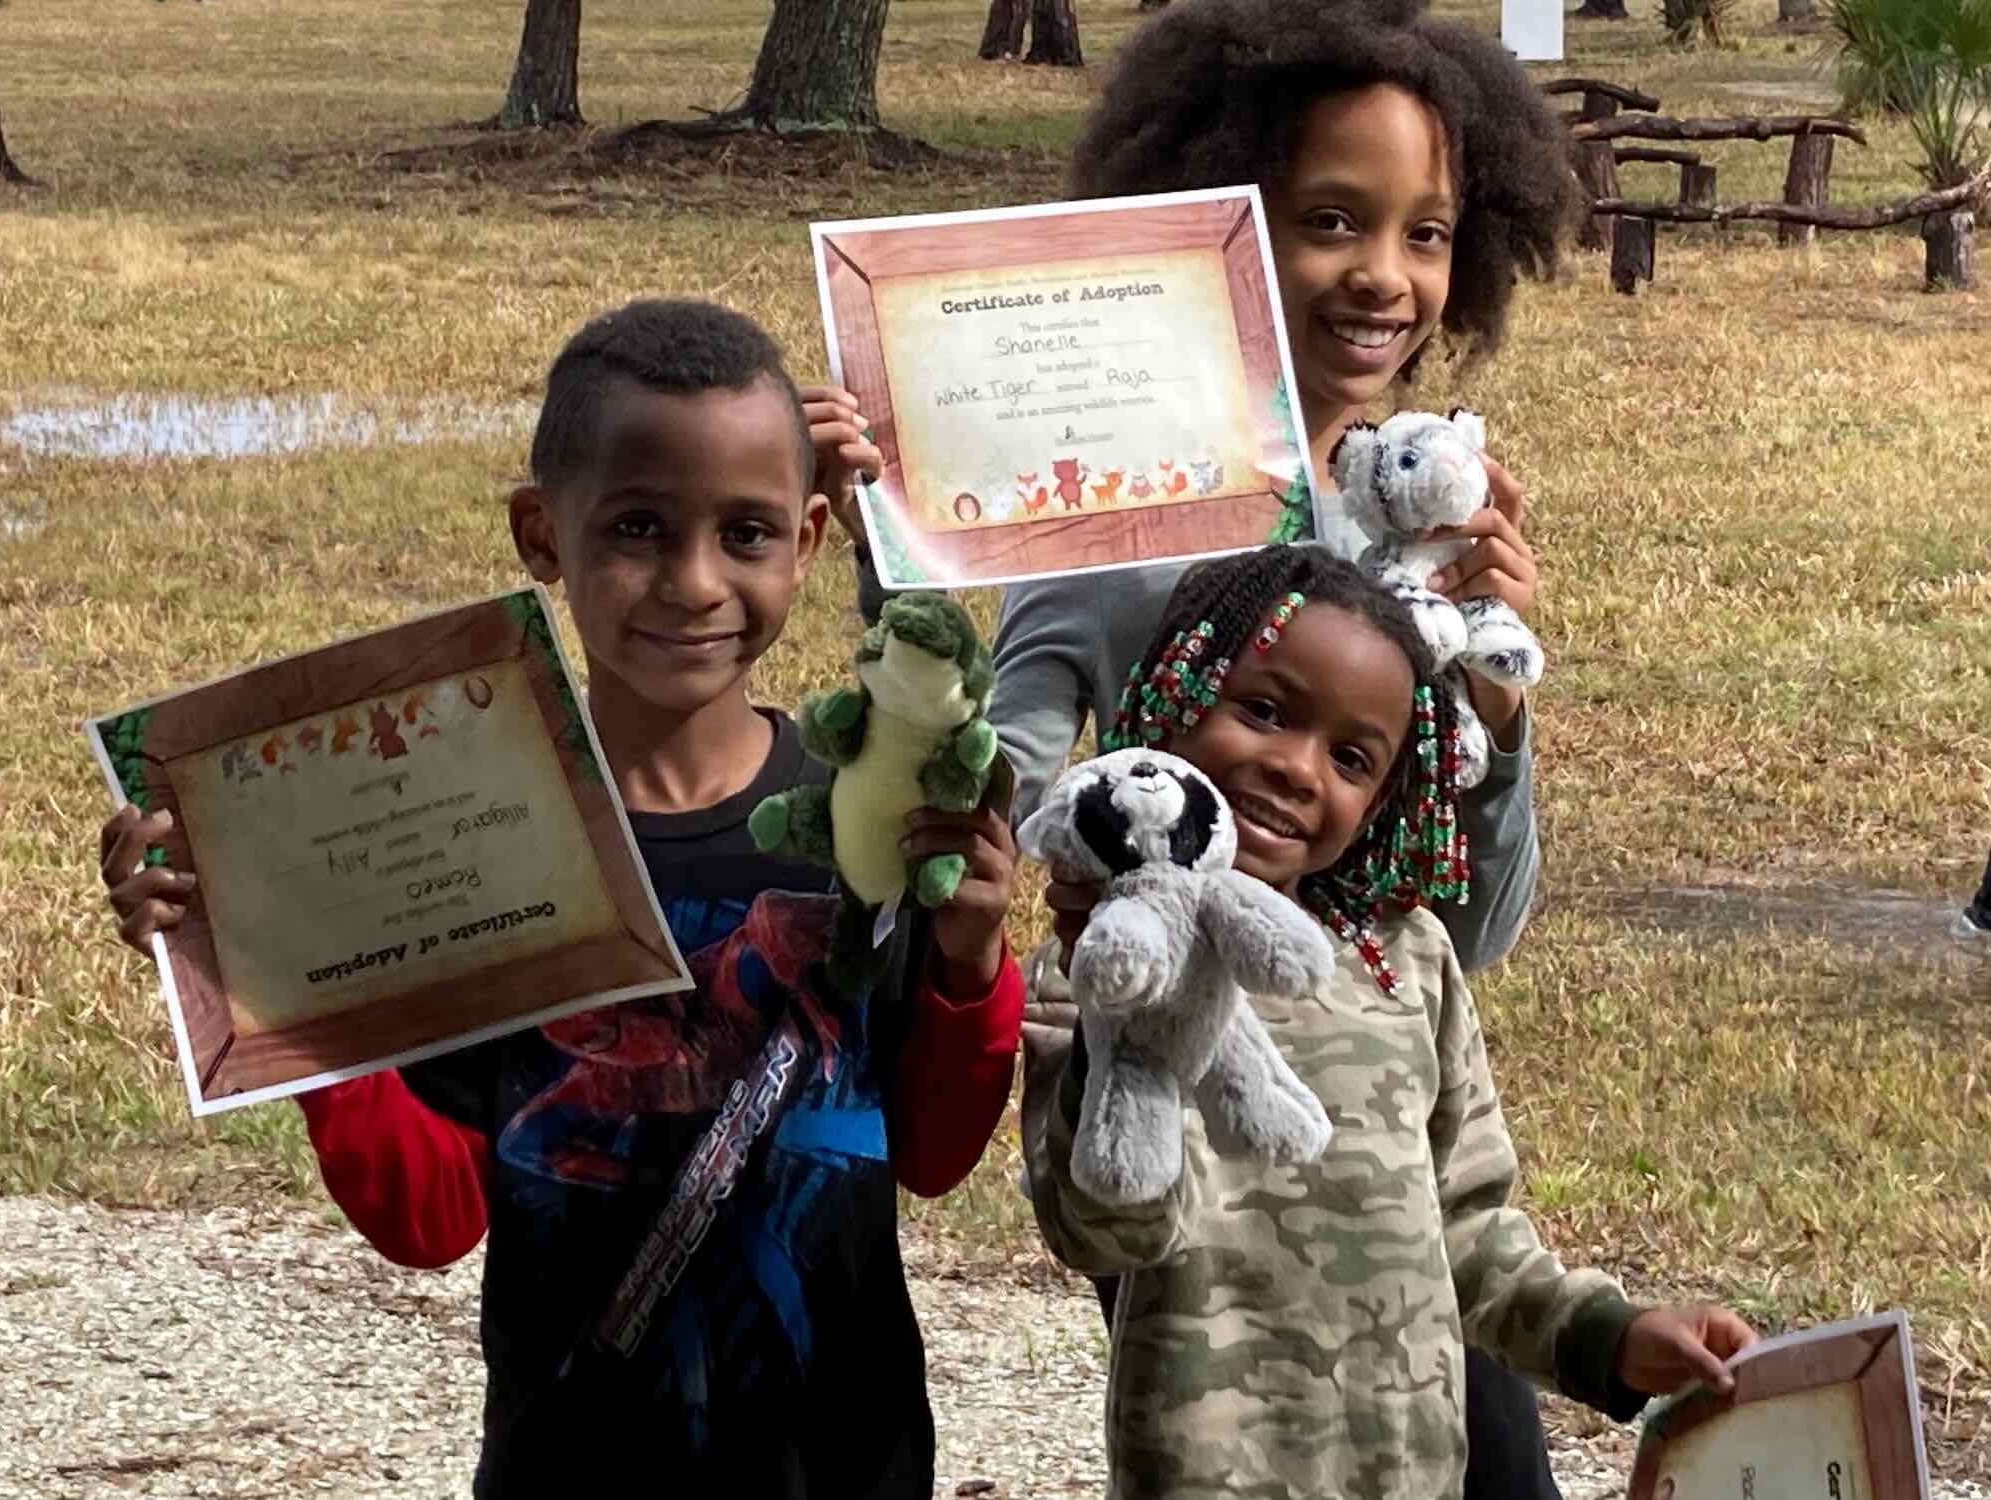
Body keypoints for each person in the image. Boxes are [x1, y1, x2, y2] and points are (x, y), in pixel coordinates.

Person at [808, 0, 1577, 1487]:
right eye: (1333, 220)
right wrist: (900, 563)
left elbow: (1467, 934)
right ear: (1217, 223)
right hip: (1186, 1133)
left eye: (1428, 233)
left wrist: (1492, 714)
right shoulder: (1121, 517)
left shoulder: (1423, 526)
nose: (1387, 276)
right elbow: (989, 797)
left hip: (1386, 1127)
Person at [98, 300, 1026, 1499]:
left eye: (745, 533)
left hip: (843, 1465)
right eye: (638, 527)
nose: (694, 582)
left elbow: (935, 1154)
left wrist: (967, 955)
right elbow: (427, 1216)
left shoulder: (853, 826)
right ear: (544, 535)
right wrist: (266, 960)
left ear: (807, 540)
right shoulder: (476, 844)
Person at [1022, 545, 1756, 1499]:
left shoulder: (1405, 962)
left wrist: (1610, 1337)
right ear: (1176, 689)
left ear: (1383, 802)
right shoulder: (1096, 970)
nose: (1294, 767)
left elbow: (1472, 1232)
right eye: (1263, 710)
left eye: (1352, 757)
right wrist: (1137, 1010)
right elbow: (1104, 1232)